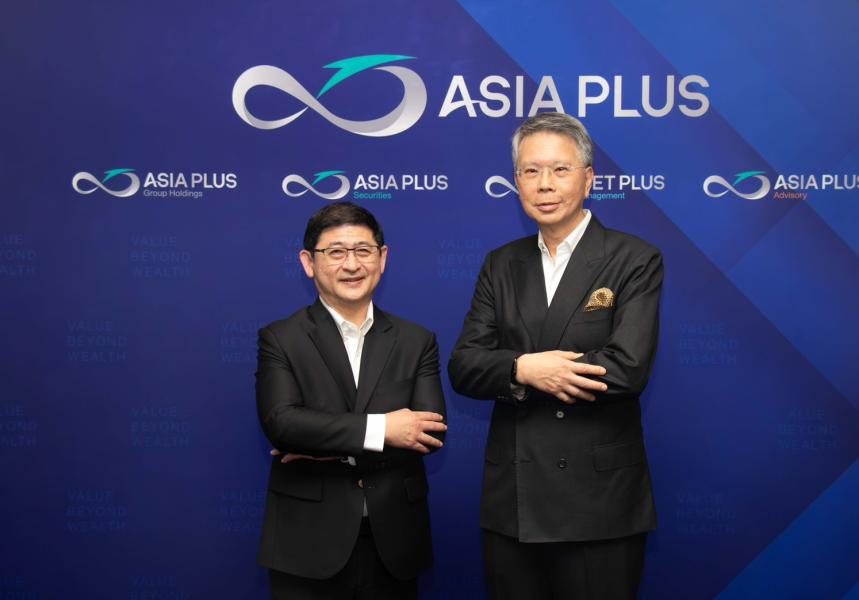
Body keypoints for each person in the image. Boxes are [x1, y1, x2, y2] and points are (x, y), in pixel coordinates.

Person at [449, 112, 662, 600]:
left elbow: (627, 368)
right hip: (515, 500)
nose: (544, 184)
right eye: (531, 171)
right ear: (517, 181)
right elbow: (464, 365)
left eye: (560, 170)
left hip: (599, 503)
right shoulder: (501, 263)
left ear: (588, 179)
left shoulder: (634, 258)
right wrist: (524, 369)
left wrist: (529, 370)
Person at [256, 202, 447, 600]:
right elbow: (283, 425)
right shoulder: (281, 338)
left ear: (383, 258)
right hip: (306, 541)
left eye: (363, 250)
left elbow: (428, 432)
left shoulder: (416, 340)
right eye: (336, 252)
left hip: (394, 540)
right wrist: (383, 429)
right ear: (308, 262)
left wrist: (320, 445)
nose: (352, 264)